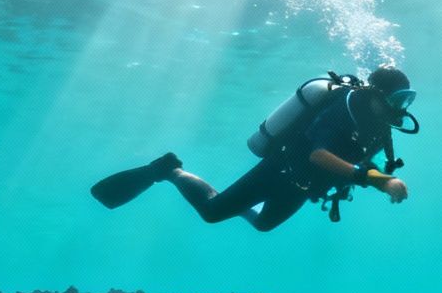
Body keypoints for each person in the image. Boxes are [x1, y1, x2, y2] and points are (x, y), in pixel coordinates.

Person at [90, 66, 417, 231]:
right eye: (398, 99)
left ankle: (197, 184)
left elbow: (359, 160)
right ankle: (169, 170)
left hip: (304, 187)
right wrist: (379, 181)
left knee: (262, 224)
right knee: (213, 212)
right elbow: (318, 154)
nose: (401, 108)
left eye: (407, 100)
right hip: (280, 170)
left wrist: (374, 177)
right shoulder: (343, 108)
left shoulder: (378, 127)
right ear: (376, 94)